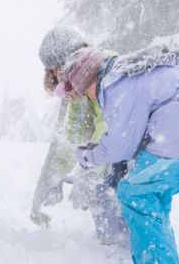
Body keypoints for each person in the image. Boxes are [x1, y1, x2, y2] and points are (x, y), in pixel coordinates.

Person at [58, 45, 179, 264]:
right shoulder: (126, 75)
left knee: (135, 194)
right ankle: (157, 256)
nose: (88, 97)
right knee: (151, 198)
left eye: (85, 91)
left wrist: (87, 157)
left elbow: (120, 146)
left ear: (90, 81)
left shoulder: (116, 85)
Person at [30, 26, 128, 246]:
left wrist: (91, 170)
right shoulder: (79, 88)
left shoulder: (108, 70)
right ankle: (113, 245)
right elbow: (73, 135)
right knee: (101, 194)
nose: (58, 75)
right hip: (112, 155)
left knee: (110, 193)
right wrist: (55, 176)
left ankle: (122, 248)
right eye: (54, 70)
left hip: (130, 154)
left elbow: (110, 124)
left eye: (60, 67)